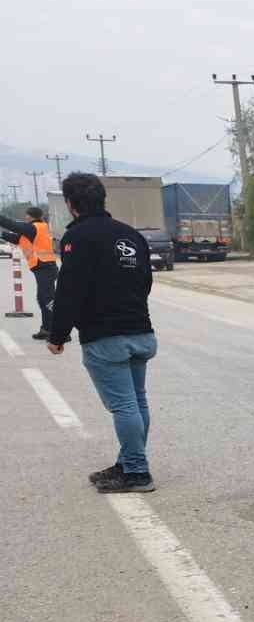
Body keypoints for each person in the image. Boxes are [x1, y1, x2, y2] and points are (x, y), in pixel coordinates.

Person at [47, 173, 160, 494]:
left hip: (105, 337)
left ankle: (137, 472)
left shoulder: (77, 238)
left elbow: (69, 290)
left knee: (125, 406)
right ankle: (127, 462)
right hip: (141, 331)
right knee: (136, 402)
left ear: (70, 204)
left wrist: (58, 335)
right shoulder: (130, 235)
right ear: (102, 199)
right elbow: (145, 282)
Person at [0, 206, 59, 339]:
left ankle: (60, 332)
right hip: (44, 267)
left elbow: (10, 224)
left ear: (30, 216)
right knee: (43, 299)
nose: (25, 218)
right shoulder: (33, 230)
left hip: (45, 267)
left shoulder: (34, 227)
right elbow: (16, 239)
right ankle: (46, 329)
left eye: (26, 215)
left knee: (48, 300)